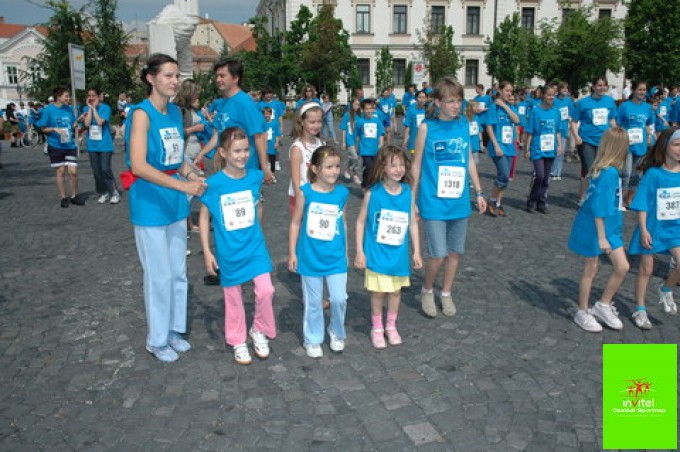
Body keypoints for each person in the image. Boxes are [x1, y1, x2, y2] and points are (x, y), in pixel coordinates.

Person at [124, 53, 207, 362]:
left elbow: (177, 157)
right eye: (168, 75)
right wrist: (182, 186)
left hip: (174, 202)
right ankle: (156, 340)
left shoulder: (174, 112)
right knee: (158, 275)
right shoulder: (141, 114)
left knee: (178, 271)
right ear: (151, 78)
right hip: (149, 202)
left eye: (176, 75)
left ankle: (174, 329)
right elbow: (138, 165)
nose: (174, 81)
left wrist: (192, 175)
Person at [198, 127, 276, 365]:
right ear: (223, 152)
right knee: (233, 298)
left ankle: (258, 328)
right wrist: (207, 252)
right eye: (236, 151)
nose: (242, 156)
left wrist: (257, 229)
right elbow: (204, 216)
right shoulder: (214, 184)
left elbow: (258, 204)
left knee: (266, 290)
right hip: (229, 250)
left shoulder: (255, 177)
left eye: (245, 150)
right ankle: (237, 339)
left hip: (254, 247)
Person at [411, 77, 487, 318]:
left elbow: (468, 160)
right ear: (438, 102)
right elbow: (416, 165)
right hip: (433, 200)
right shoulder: (426, 128)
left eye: (459, 101)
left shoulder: (463, 124)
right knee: (438, 254)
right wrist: (411, 199)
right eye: (451, 101)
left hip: (459, 200)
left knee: (455, 252)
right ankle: (427, 289)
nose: (456, 106)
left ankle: (446, 292)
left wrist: (479, 191)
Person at [355, 145, 422, 348]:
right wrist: (359, 251)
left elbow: (412, 223)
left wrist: (417, 251)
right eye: (393, 165)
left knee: (395, 292)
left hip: (397, 255)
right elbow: (360, 222)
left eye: (402, 165)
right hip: (377, 253)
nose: (399, 169)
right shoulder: (373, 194)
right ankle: (377, 327)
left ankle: (391, 326)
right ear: (382, 167)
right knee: (378, 293)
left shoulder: (407, 193)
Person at [288, 146, 349, 358]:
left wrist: (346, 250)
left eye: (337, 167)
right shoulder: (306, 193)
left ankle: (336, 330)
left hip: (335, 256)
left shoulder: (342, 193)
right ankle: (313, 338)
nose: (334, 171)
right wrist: (292, 252)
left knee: (339, 299)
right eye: (329, 167)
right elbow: (295, 223)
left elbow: (343, 222)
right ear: (315, 169)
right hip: (310, 256)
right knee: (313, 302)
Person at [567, 127, 629, 332]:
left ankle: (603, 304)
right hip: (596, 228)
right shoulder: (608, 173)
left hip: (609, 227)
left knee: (622, 266)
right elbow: (599, 207)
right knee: (590, 269)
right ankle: (582, 311)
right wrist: (602, 237)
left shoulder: (606, 170)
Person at [627, 128, 680, 328]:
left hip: (675, 229)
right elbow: (643, 203)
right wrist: (643, 229)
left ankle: (666, 289)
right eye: (676, 144)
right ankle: (640, 309)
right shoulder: (654, 174)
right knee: (646, 269)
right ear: (665, 146)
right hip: (653, 228)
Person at [194, 59, 274, 185]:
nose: (218, 80)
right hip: (227, 169)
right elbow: (218, 134)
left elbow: (259, 136)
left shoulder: (245, 103)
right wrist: (202, 153)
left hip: (244, 169)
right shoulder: (223, 103)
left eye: (222, 76)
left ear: (235, 78)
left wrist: (265, 168)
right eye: (217, 76)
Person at [572, 76, 618, 206]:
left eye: (604, 85)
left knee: (603, 170)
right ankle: (586, 199)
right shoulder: (583, 103)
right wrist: (576, 136)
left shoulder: (610, 101)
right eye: (599, 85)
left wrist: (618, 134)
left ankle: (592, 197)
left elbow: (612, 120)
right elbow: (574, 122)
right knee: (590, 169)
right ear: (593, 86)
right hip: (587, 140)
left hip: (605, 141)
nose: (602, 88)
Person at [36, 86, 84, 208]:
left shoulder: (68, 109)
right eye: (66, 96)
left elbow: (72, 125)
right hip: (55, 145)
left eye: (68, 96)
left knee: (73, 172)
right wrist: (54, 129)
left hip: (69, 144)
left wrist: (79, 120)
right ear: (58, 97)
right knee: (60, 171)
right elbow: (42, 128)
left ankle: (74, 195)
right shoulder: (48, 110)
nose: (68, 98)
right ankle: (63, 197)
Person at [174, 79, 210, 232]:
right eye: (196, 93)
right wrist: (194, 129)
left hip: (194, 151)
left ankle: (186, 222)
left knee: (191, 189)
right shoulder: (178, 110)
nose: (197, 96)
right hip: (185, 151)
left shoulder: (191, 109)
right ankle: (183, 222)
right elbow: (176, 133)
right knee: (190, 189)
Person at [524, 85, 566, 213]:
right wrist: (527, 149)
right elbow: (530, 132)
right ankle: (532, 200)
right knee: (540, 176)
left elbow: (557, 131)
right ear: (543, 95)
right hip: (537, 148)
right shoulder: (535, 111)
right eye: (548, 95)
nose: (551, 97)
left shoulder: (556, 112)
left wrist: (559, 146)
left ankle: (541, 201)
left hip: (551, 148)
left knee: (546, 177)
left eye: (553, 95)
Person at [485, 81, 520, 217]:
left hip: (509, 146)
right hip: (499, 146)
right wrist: (496, 145)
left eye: (511, 91)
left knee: (505, 178)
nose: (509, 93)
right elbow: (489, 127)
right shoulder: (493, 107)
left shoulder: (509, 106)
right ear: (500, 90)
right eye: (507, 90)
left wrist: (505, 106)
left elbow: (516, 120)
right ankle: (492, 201)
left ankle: (498, 203)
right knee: (504, 174)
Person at [617, 80, 655, 206]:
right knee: (626, 173)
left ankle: (629, 199)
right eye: (639, 89)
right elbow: (618, 124)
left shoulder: (647, 108)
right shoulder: (624, 106)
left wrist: (649, 136)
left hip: (641, 146)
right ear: (633, 90)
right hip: (626, 145)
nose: (642, 92)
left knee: (637, 174)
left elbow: (649, 124)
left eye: (644, 90)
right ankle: (621, 200)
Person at [83, 88, 119, 204]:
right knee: (96, 172)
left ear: (99, 97)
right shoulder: (85, 109)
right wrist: (90, 108)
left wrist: (94, 109)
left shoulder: (105, 108)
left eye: (94, 95)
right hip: (92, 145)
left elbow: (100, 122)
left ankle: (114, 192)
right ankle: (103, 192)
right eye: (89, 96)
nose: (91, 98)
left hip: (105, 145)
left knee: (105, 169)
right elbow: (87, 124)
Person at [288, 102, 324, 214]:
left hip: (318, 195)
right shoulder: (297, 148)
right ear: (302, 122)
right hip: (302, 197)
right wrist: (300, 200)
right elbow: (296, 180)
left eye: (319, 121)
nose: (316, 125)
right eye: (312, 122)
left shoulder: (321, 143)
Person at [355, 98, 385, 189]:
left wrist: (381, 144)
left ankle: (371, 185)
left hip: (375, 149)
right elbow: (357, 135)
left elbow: (381, 133)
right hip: (365, 149)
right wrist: (357, 147)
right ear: (363, 110)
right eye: (366, 109)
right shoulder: (360, 121)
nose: (368, 111)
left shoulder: (377, 121)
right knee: (369, 167)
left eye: (370, 108)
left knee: (375, 169)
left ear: (373, 109)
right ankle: (365, 185)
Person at [551, 82, 575, 180]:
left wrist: (570, 119)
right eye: (563, 88)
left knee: (561, 151)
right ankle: (551, 169)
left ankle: (557, 172)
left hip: (564, 129)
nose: (565, 90)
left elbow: (572, 113)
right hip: (553, 129)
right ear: (559, 90)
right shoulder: (554, 100)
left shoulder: (568, 100)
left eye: (567, 88)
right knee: (552, 150)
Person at [339, 98, 363, 184]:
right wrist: (343, 142)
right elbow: (343, 129)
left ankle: (348, 170)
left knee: (354, 158)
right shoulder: (347, 115)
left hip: (357, 140)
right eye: (355, 104)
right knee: (355, 157)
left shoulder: (360, 116)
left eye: (358, 105)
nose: (357, 106)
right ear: (351, 104)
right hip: (349, 139)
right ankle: (354, 174)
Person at [402, 90, 428, 154]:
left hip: (426, 141)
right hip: (413, 141)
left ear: (426, 99)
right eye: (420, 97)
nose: (421, 100)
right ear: (416, 98)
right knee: (414, 158)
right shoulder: (411, 110)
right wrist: (405, 141)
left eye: (423, 97)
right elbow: (407, 126)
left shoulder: (428, 110)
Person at [263, 106, 282, 174]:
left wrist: (277, 142)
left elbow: (277, 134)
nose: (266, 115)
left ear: (271, 114)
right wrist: (264, 144)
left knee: (272, 160)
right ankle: (267, 174)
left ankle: (273, 174)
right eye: (265, 114)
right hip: (266, 144)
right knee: (266, 160)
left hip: (272, 144)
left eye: (268, 114)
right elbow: (262, 134)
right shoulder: (263, 123)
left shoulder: (275, 123)